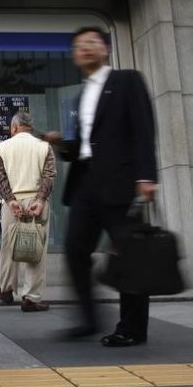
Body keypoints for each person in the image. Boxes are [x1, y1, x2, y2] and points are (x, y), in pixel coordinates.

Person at [42, 26, 158, 347]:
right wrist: (59, 144)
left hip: (121, 182)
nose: (86, 48)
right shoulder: (82, 95)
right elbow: (83, 147)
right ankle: (88, 320)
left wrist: (146, 176)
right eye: (79, 45)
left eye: (92, 42)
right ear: (75, 56)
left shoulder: (127, 80)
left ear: (105, 49)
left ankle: (132, 329)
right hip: (85, 184)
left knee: (130, 256)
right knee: (75, 249)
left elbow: (144, 129)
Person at [0, 112, 56, 312]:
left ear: (14, 127)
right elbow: (49, 175)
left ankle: (6, 289)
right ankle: (31, 298)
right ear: (30, 127)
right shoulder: (44, 147)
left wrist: (11, 200)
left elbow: (0, 176)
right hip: (37, 203)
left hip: (12, 204)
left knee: (8, 247)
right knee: (36, 250)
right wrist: (40, 200)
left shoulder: (2, 147)